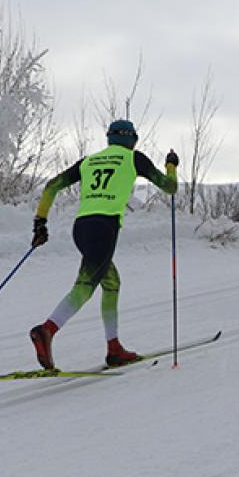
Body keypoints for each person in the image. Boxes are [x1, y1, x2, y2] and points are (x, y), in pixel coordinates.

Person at [26, 120, 178, 370]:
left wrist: (40, 223)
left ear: (109, 138)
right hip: (104, 228)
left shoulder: (89, 160)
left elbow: (51, 186)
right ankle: (47, 330)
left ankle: (114, 348)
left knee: (111, 282)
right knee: (84, 286)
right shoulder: (133, 158)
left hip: (82, 228)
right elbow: (170, 187)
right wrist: (171, 164)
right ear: (133, 140)